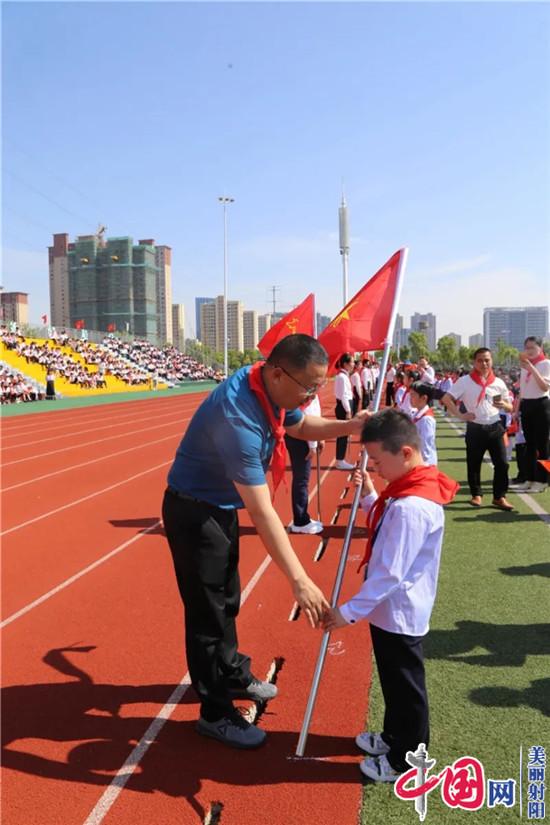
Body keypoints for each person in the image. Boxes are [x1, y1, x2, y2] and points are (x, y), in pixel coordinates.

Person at [162, 335, 369, 750]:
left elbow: (301, 425)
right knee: (207, 614)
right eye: (309, 387)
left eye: (318, 388)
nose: (312, 396)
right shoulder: (238, 417)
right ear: (277, 373)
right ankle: (215, 713)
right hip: (193, 511)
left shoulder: (267, 383)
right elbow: (262, 512)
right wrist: (299, 579)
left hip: (218, 507)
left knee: (228, 598)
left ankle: (232, 673)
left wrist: (351, 425)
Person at [322, 409, 459, 782]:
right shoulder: (406, 493)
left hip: (399, 611)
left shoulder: (413, 506)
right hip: (390, 611)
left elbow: (390, 575)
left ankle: (406, 758)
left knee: (405, 687)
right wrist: (369, 492)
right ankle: (394, 735)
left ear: (407, 454)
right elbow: (384, 524)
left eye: (380, 461)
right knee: (393, 682)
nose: (377, 469)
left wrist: (346, 613)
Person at [441, 347, 514, 511]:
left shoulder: (498, 382)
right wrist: (461, 416)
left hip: (495, 427)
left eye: (487, 360)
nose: (484, 363)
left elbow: (510, 407)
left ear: (492, 361)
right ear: (474, 362)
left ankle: (499, 496)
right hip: (475, 428)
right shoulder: (465, 381)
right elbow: (446, 398)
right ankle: (476, 494)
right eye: (480, 360)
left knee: (502, 464)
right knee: (474, 463)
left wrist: (504, 404)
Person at [510, 336, 550, 494]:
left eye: (532, 348)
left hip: (541, 404)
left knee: (543, 445)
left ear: (540, 348)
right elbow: (522, 391)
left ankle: (543, 480)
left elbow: (544, 387)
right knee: (529, 445)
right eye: (526, 348)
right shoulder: (524, 366)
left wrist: (531, 368)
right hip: (527, 405)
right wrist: (516, 409)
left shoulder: (545, 364)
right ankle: (530, 478)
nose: (529, 351)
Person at [284, 393, 324, 534]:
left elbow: (315, 414)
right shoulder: (307, 391)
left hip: (302, 436)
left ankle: (302, 517)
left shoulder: (310, 389)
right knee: (302, 479)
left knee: (302, 478)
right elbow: (307, 418)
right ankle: (300, 520)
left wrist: (320, 436)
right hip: (301, 437)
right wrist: (313, 444)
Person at [333, 353, 356, 470]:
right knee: (343, 435)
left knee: (344, 435)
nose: (353, 364)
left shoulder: (344, 376)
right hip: (343, 407)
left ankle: (340, 459)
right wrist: (348, 411)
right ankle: (340, 460)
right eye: (352, 362)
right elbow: (343, 396)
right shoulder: (342, 377)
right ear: (346, 364)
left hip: (344, 406)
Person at [409, 381, 438, 465]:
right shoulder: (416, 413)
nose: (410, 397)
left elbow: (425, 448)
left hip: (425, 464)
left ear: (424, 398)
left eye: (413, 395)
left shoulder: (426, 420)